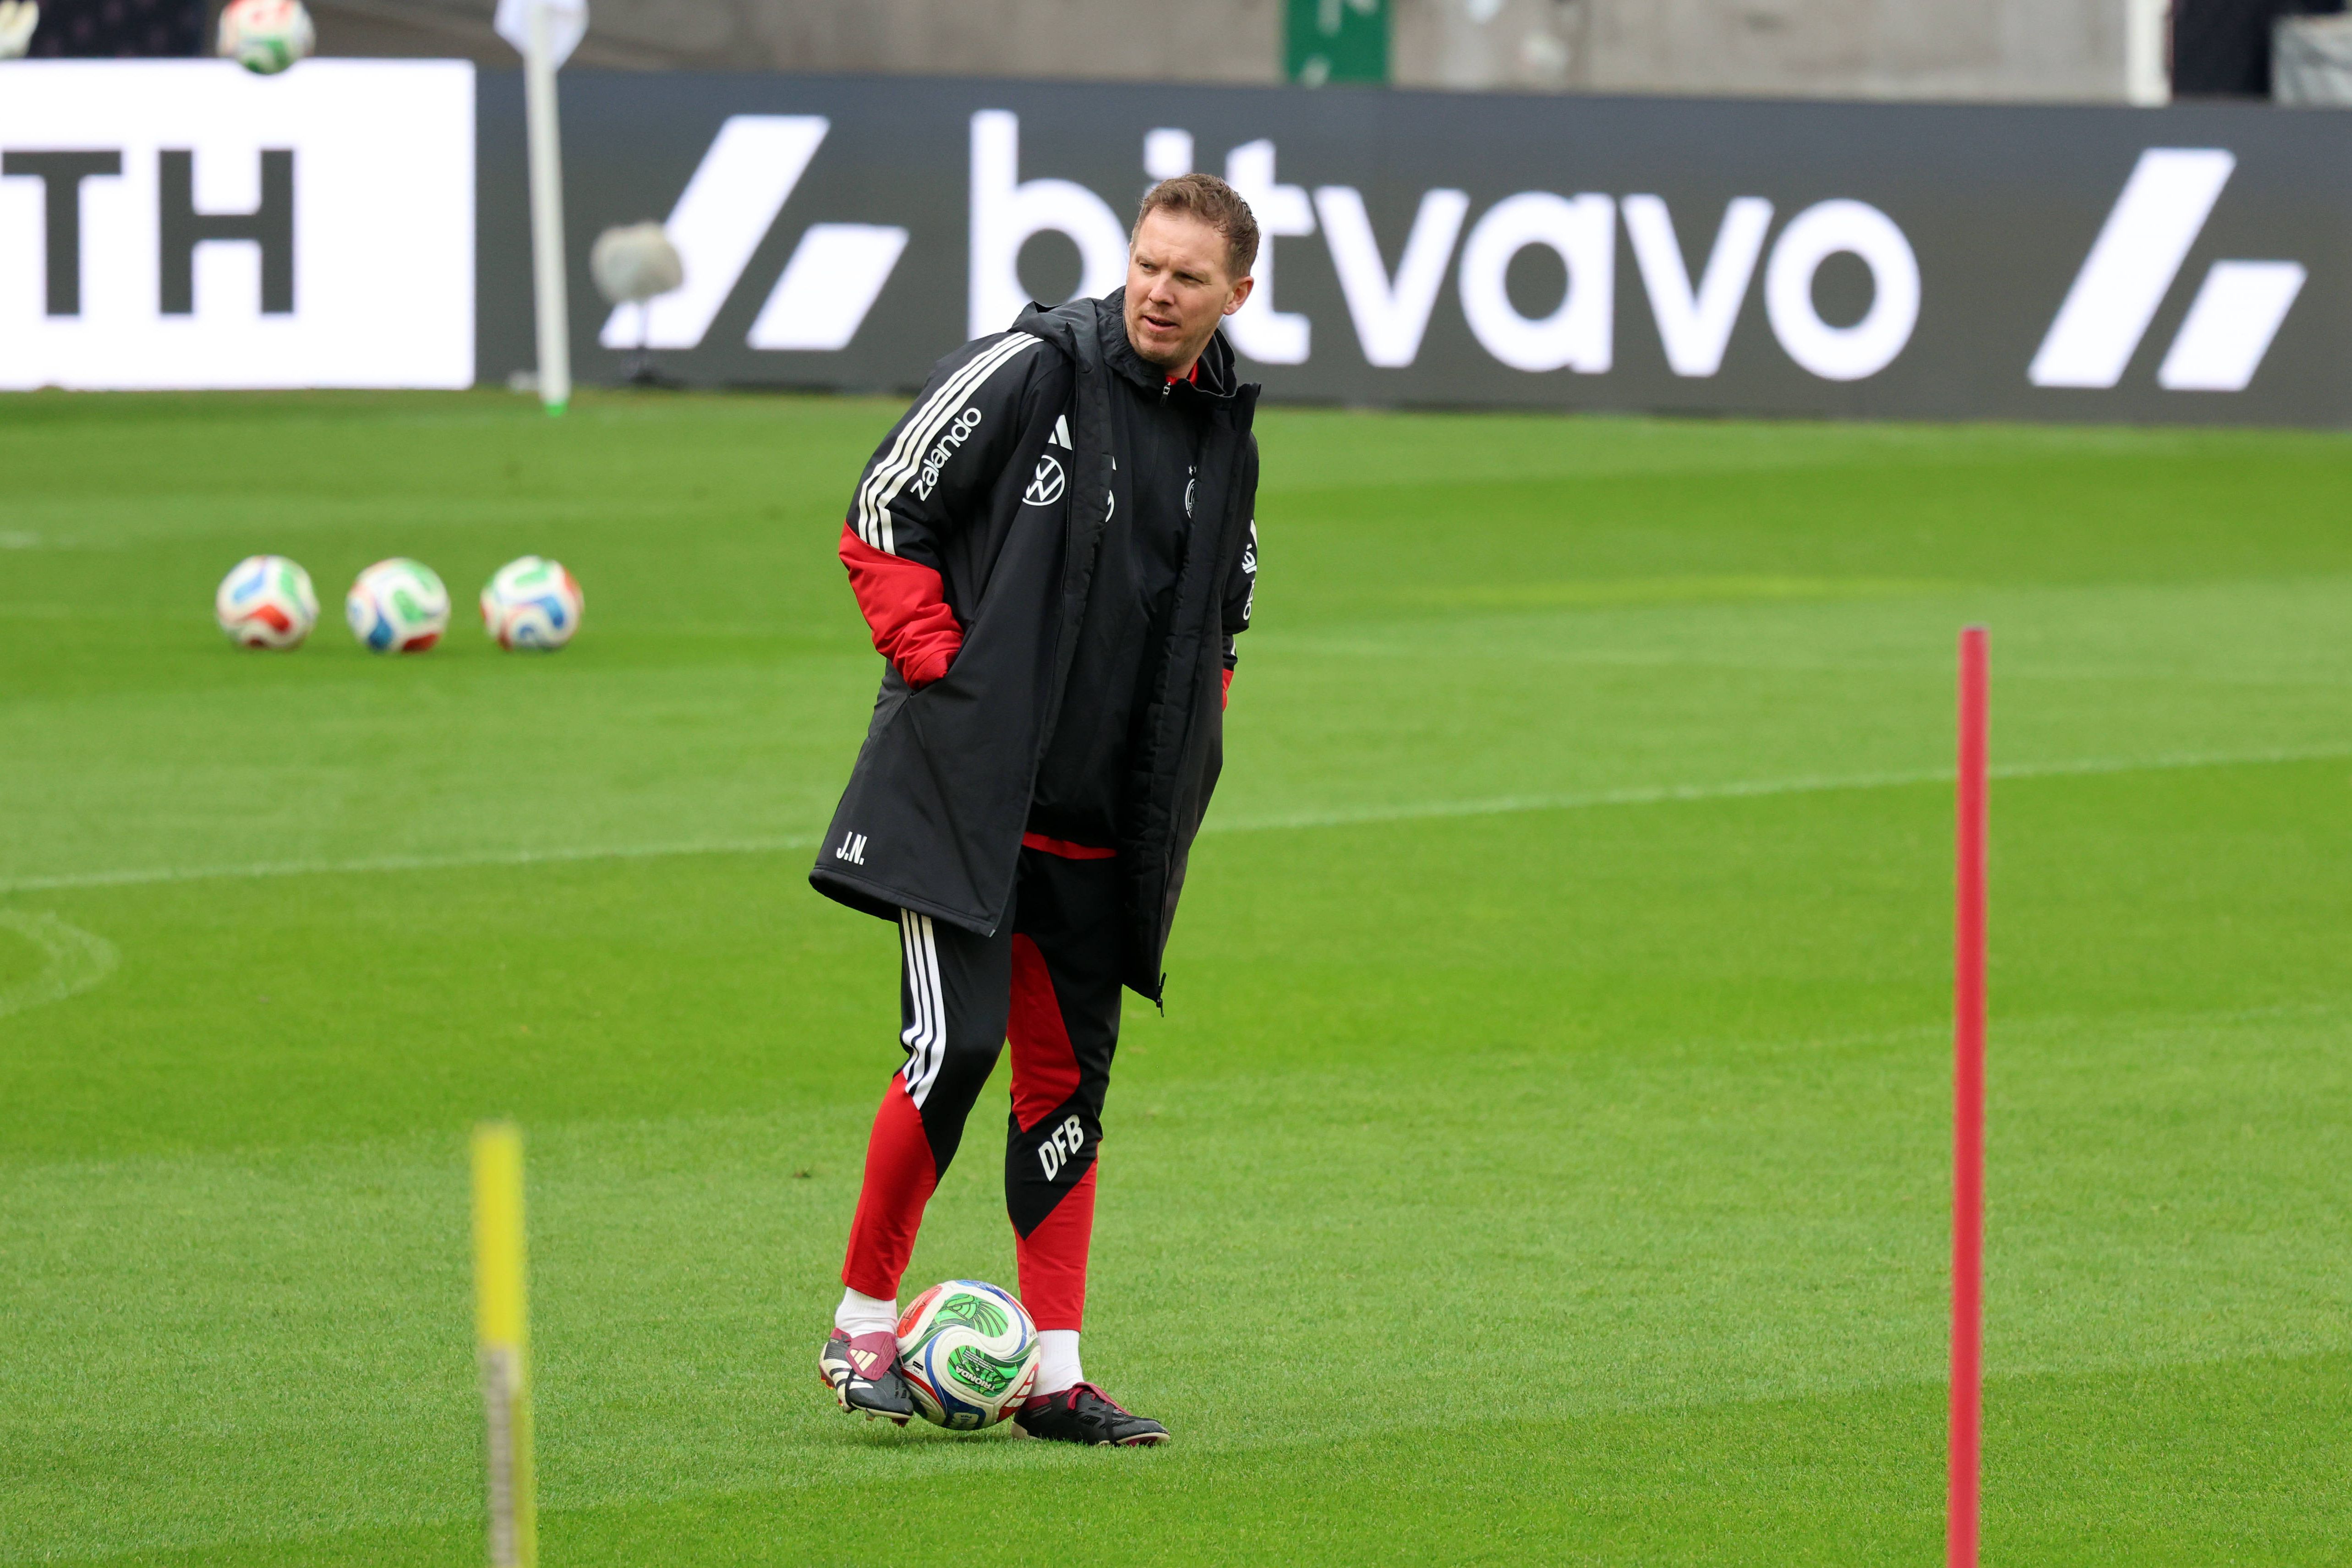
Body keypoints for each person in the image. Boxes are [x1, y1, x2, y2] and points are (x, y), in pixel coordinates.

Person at [809, 173, 1262, 1448]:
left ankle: (1056, 1374)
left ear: (1238, 291)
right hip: (966, 798)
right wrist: (947, 674)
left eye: (1188, 276)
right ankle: (859, 1327)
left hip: (1101, 826)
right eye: (1146, 264)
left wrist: (1185, 756)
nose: (1159, 292)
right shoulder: (1030, 367)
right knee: (951, 1053)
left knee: (1065, 1102)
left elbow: (1223, 616)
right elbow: (883, 508)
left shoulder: (1229, 431)